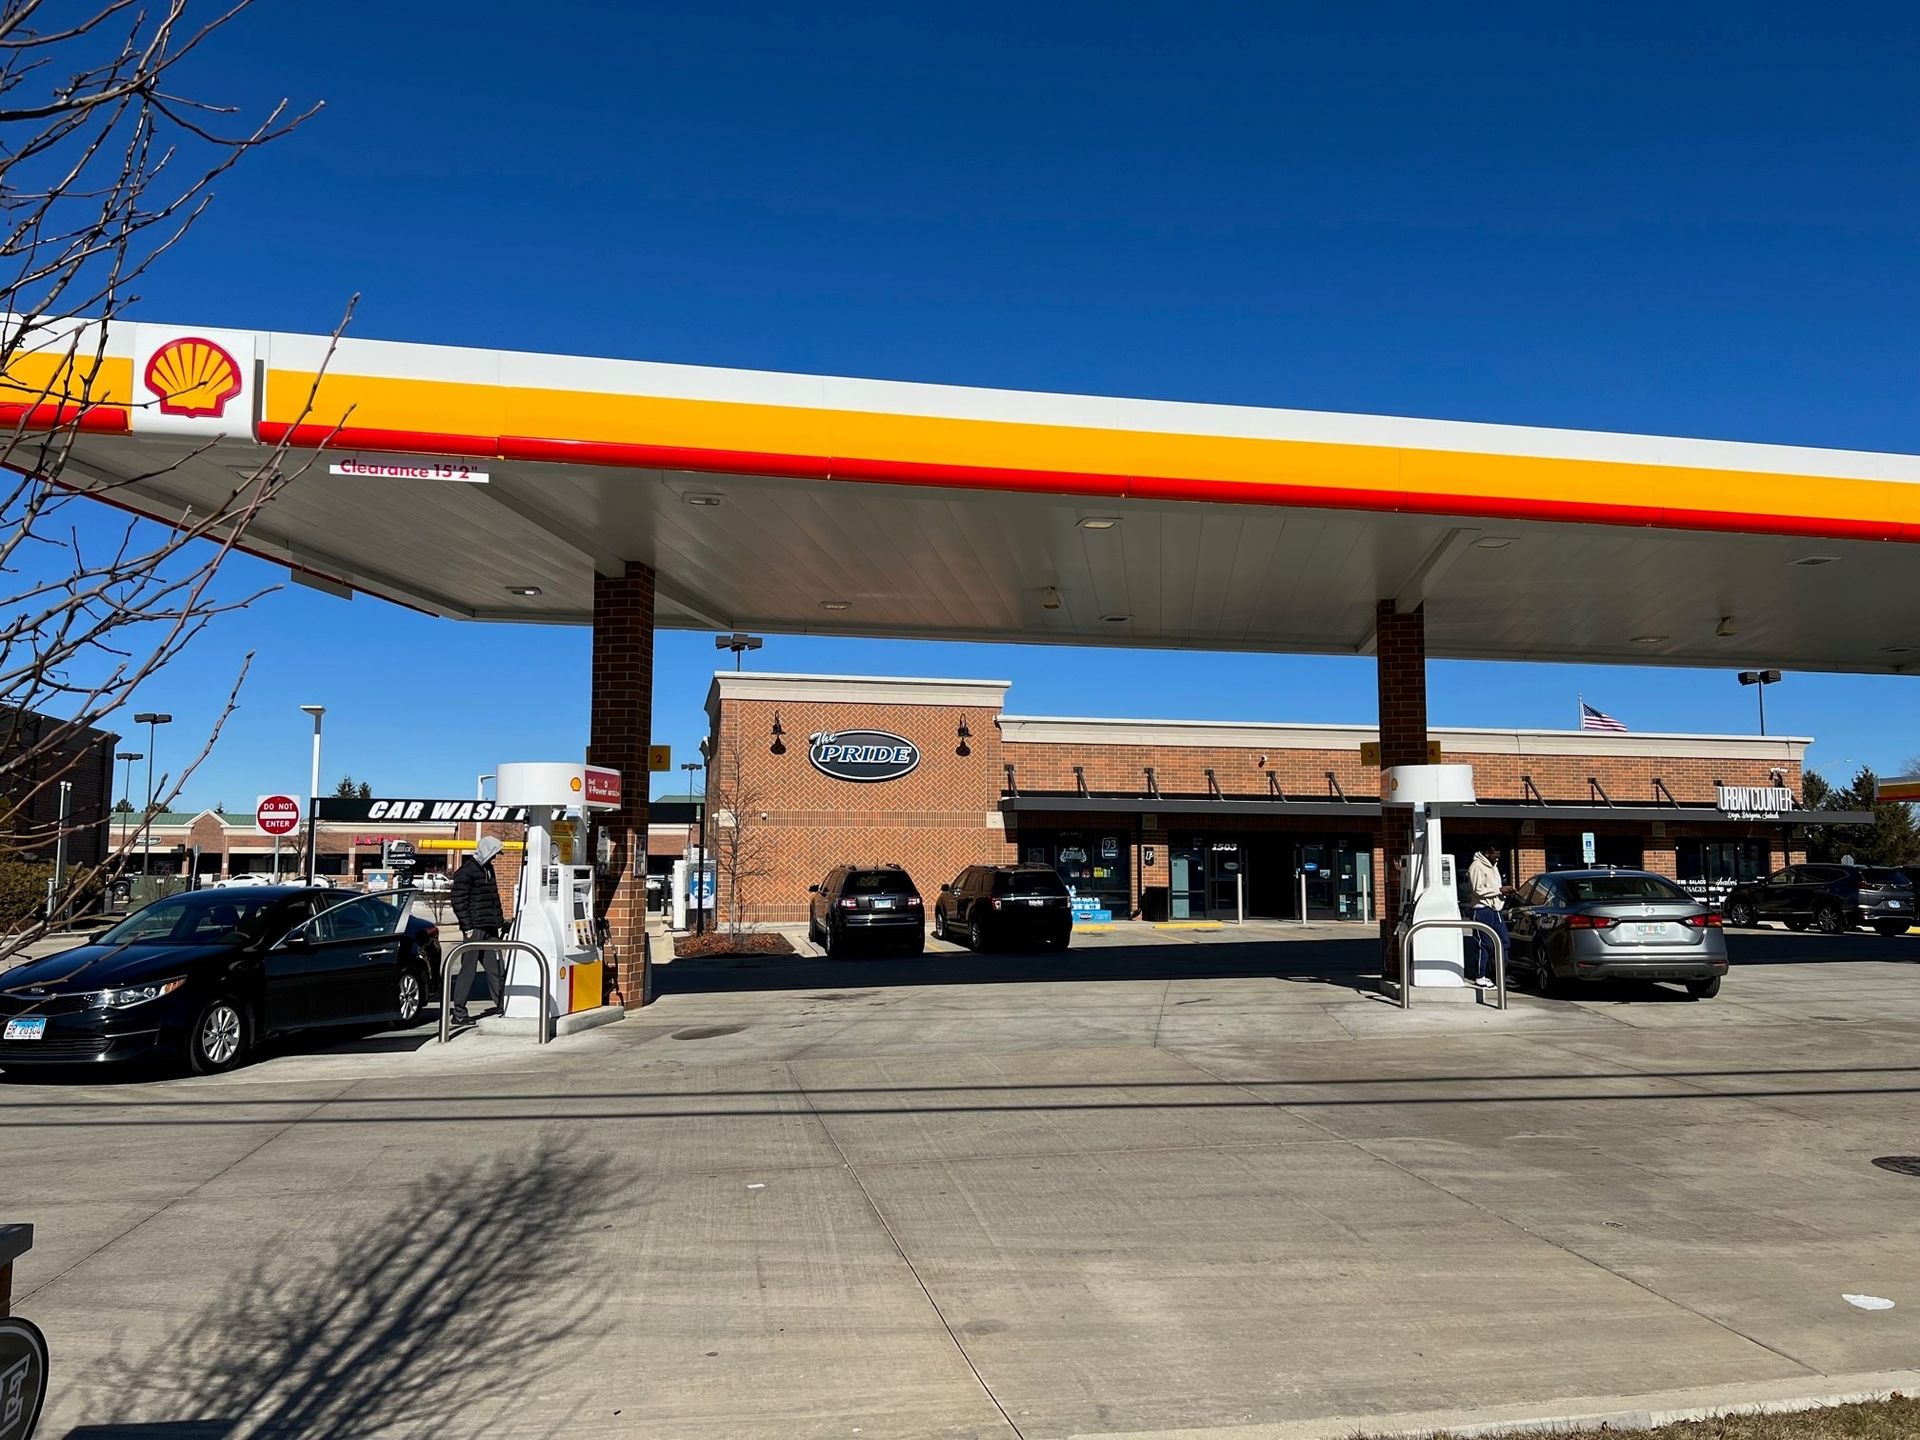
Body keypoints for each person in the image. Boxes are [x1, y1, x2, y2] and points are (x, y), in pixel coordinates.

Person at [449, 835, 508, 1025]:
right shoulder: (466, 872)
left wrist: (499, 922)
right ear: (486, 851)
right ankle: (458, 1011)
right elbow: (459, 901)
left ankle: (502, 1004)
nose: (495, 858)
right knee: (468, 970)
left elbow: (494, 898)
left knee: (495, 968)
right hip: (474, 928)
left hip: (489, 927)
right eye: (494, 854)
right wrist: (467, 927)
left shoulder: (487, 869)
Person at [1465, 845, 1511, 988]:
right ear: (1486, 853)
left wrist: (1503, 892)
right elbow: (1478, 890)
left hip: (1495, 909)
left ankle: (1502, 975)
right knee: (1485, 943)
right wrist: (1499, 890)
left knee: (1504, 942)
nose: (1497, 857)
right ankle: (1480, 976)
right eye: (1494, 854)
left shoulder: (1494, 866)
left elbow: (1493, 888)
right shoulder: (1476, 866)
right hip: (1482, 909)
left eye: (1499, 854)